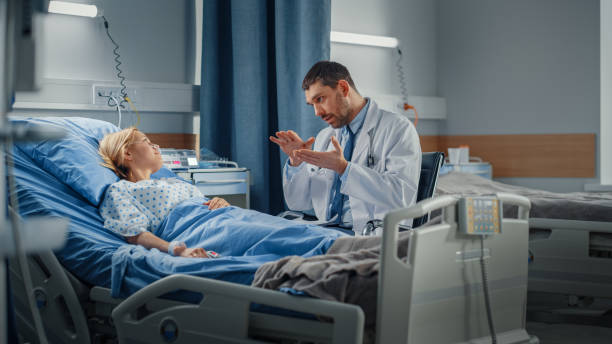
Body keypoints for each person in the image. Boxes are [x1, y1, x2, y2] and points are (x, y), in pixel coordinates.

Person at [269, 61, 421, 234]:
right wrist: (297, 162)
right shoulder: (325, 137)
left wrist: (344, 168)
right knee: (263, 234)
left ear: (343, 88)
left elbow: (401, 197)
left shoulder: (397, 128)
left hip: (367, 237)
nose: (317, 112)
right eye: (313, 105)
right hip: (326, 230)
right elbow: (299, 203)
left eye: (320, 99)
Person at [98, 127, 230, 258]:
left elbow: (203, 204)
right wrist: (177, 250)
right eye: (147, 142)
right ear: (127, 153)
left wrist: (219, 202)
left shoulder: (173, 181)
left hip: (225, 220)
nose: (156, 146)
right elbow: (134, 233)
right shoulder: (121, 190)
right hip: (203, 232)